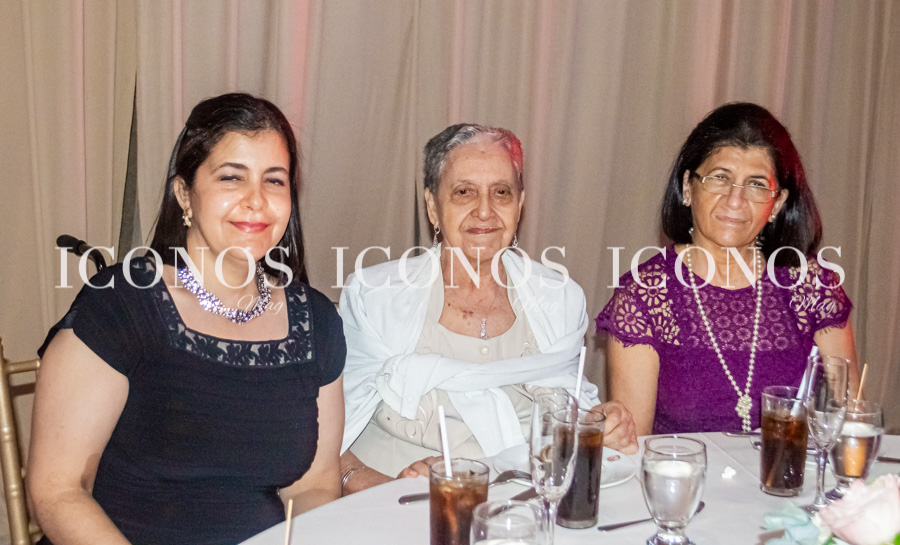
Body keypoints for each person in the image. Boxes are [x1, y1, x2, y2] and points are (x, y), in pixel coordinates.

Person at [28, 93, 346, 545]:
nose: (257, 201)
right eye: (232, 177)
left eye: (274, 181)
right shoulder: (121, 306)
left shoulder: (316, 321)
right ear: (184, 194)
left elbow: (312, 488)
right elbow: (59, 491)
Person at [338, 123, 638, 494]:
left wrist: (603, 423)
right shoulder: (375, 298)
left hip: (529, 502)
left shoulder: (559, 300)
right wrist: (385, 490)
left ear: (520, 204)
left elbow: (570, 416)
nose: (485, 211)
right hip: (396, 506)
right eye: (464, 192)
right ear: (433, 206)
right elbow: (322, 437)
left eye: (501, 192)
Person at [597, 102, 859, 436]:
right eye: (720, 178)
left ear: (777, 203)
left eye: (756, 184)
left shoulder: (812, 285)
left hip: (791, 470)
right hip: (685, 469)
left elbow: (848, 422)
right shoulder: (645, 294)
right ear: (688, 187)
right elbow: (634, 443)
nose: (735, 200)